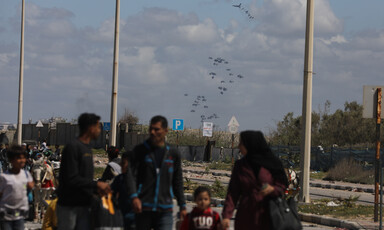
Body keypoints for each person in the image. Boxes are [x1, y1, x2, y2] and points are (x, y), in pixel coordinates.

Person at [221, 131, 288, 230]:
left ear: (250, 144)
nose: (239, 146)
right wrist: (226, 216)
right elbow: (233, 192)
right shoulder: (240, 166)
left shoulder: (273, 164)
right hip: (246, 216)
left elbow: (282, 185)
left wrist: (273, 189)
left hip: (269, 215)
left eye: (241, 143)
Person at [129, 115, 186, 230]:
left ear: (165, 131)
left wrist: (182, 205)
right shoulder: (140, 151)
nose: (153, 132)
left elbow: (177, 181)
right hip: (143, 208)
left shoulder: (173, 154)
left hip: (165, 210)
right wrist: (134, 197)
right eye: (151, 129)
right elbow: (130, 177)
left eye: (156, 129)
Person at [56, 113, 111, 230]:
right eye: (98, 127)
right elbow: (71, 178)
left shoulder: (87, 149)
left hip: (84, 204)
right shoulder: (73, 147)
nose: (99, 130)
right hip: (69, 206)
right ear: (90, 128)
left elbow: (84, 179)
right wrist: (97, 184)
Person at [0, 145, 34, 230]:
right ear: (11, 160)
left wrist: (31, 186)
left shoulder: (26, 174)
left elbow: (31, 186)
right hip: (6, 215)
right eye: (19, 158)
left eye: (24, 158)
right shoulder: (4, 177)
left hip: (20, 215)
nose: (22, 160)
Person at [111, 152, 136, 230]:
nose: (120, 165)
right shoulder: (119, 179)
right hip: (122, 220)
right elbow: (111, 195)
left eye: (123, 163)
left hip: (137, 221)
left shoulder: (142, 179)